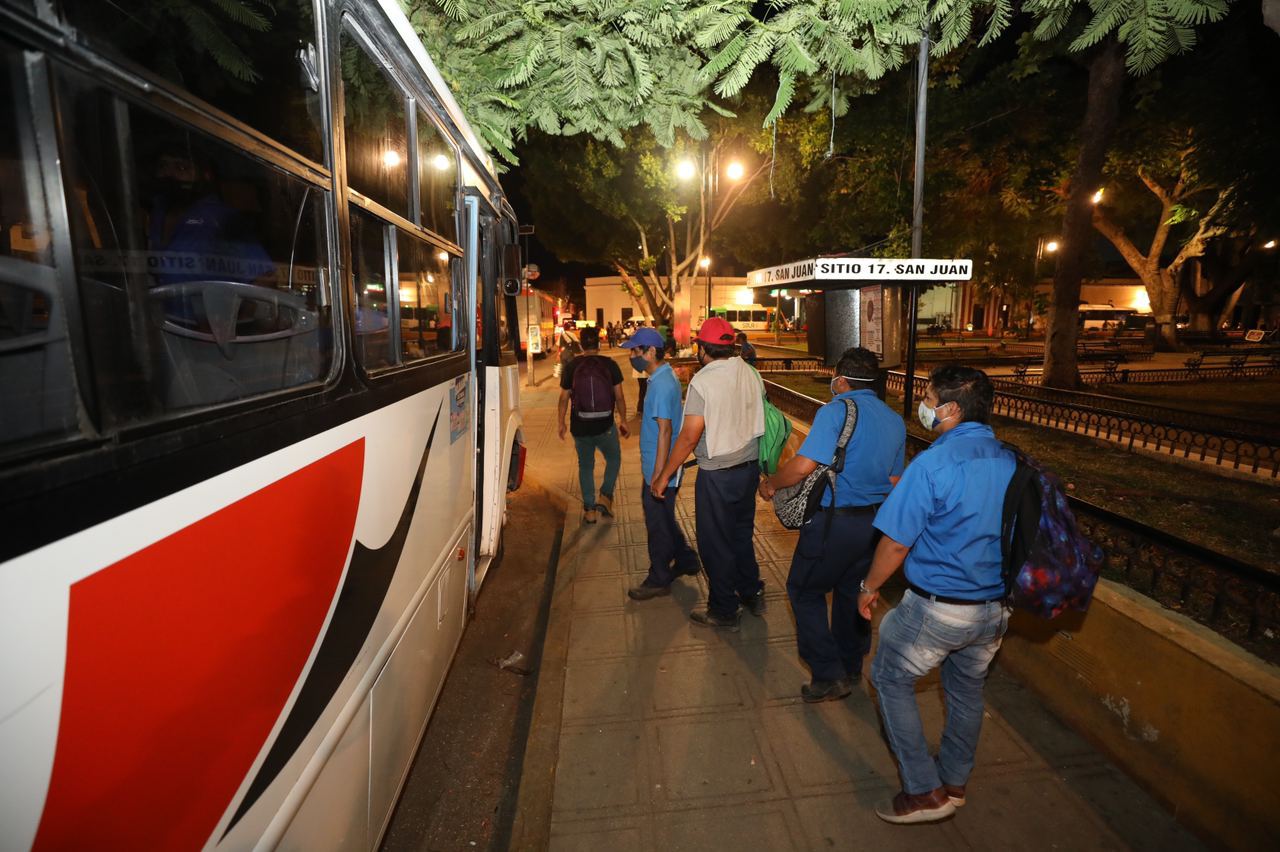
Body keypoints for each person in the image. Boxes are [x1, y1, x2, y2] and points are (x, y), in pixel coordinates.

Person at [857, 365, 1015, 825]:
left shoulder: (934, 463)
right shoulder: (1010, 460)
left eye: (927, 397)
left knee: (890, 678)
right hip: (994, 610)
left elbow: (896, 543)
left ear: (949, 409)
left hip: (939, 609)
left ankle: (924, 791)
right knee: (966, 691)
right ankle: (955, 781)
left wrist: (868, 589)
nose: (923, 405)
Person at [758, 347, 904, 702]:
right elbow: (896, 480)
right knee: (852, 591)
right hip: (874, 524)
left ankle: (827, 673)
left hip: (834, 523)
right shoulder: (893, 419)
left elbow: (804, 465)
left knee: (804, 591)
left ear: (841, 378)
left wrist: (772, 483)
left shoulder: (836, 411)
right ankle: (852, 664)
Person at [652, 317, 765, 629]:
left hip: (718, 475)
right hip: (749, 469)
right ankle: (751, 590)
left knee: (715, 543)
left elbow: (689, 436)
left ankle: (725, 609)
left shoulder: (703, 381)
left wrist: (663, 475)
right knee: (741, 535)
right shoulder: (750, 371)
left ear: (702, 348)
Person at [621, 328, 700, 599]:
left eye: (635, 351)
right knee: (664, 519)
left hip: (660, 471)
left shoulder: (662, 384)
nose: (632, 356)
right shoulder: (661, 378)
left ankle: (659, 578)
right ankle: (687, 559)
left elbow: (665, 430)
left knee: (657, 526)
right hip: (661, 469)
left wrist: (659, 477)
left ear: (650, 352)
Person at [558, 326, 629, 522]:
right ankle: (605, 496)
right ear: (598, 344)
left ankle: (589, 511)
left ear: (581, 345)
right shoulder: (610, 365)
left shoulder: (572, 366)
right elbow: (620, 397)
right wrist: (623, 420)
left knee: (586, 466)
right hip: (605, 425)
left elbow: (564, 398)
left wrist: (561, 423)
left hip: (580, 426)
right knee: (614, 458)